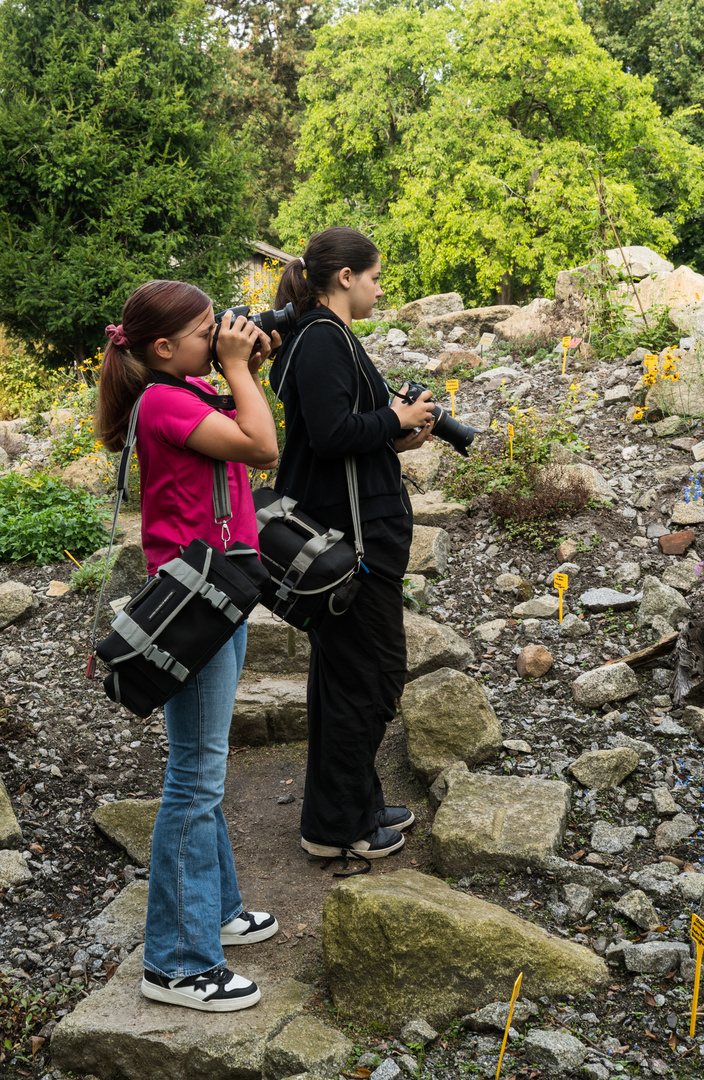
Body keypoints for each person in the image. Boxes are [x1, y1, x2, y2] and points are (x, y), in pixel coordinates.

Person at [97, 280, 280, 1011]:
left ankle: (219, 909)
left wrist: (245, 368)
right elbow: (264, 447)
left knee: (204, 765)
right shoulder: (170, 400)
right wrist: (237, 371)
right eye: (210, 331)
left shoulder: (184, 391)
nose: (221, 337)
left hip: (216, 594)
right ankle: (174, 962)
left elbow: (245, 426)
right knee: (194, 779)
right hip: (195, 606)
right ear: (164, 348)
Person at [270, 227, 436, 865]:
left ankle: (354, 803)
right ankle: (338, 826)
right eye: (373, 276)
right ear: (344, 277)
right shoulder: (321, 339)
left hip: (362, 532)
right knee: (370, 678)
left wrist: (397, 436)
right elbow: (334, 433)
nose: (380, 287)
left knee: (349, 677)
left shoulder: (326, 338)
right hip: (353, 546)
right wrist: (394, 418)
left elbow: (334, 440)